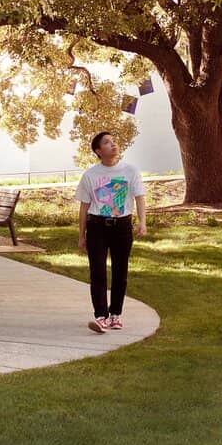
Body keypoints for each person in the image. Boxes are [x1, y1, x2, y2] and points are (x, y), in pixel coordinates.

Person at [76, 132, 147, 333]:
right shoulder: (90, 175)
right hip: (97, 227)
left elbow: (140, 197)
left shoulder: (130, 171)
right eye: (107, 143)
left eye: (113, 141)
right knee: (97, 272)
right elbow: (84, 206)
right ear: (99, 151)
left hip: (122, 226)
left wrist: (142, 222)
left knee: (120, 271)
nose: (113, 144)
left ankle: (115, 314)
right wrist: (81, 235)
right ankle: (101, 316)